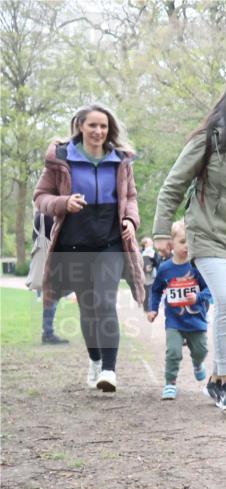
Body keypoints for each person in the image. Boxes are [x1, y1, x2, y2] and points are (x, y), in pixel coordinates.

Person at [153, 77, 226, 411]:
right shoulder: (209, 139)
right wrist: (160, 232)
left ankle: (214, 379)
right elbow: (173, 184)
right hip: (207, 234)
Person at [33, 103, 145, 392]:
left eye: (104, 126)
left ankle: (109, 370)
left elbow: (130, 196)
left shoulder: (120, 161)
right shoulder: (61, 160)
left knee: (106, 301)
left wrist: (131, 219)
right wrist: (63, 203)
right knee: (88, 308)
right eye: (92, 125)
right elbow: (41, 197)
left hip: (110, 242)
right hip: (75, 244)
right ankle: (95, 360)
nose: (98, 131)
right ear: (79, 126)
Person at [146, 222, 211, 400]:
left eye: (190, 240)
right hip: (174, 321)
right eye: (183, 241)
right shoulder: (165, 268)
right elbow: (156, 289)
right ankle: (170, 383)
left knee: (201, 350)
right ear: (171, 245)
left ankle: (198, 364)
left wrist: (197, 298)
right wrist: (152, 309)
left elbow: (209, 290)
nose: (187, 245)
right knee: (173, 352)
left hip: (196, 319)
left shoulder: (196, 267)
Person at [26, 210, 67, 345]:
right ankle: (48, 333)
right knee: (53, 296)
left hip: (47, 261)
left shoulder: (39, 215)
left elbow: (35, 237)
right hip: (52, 261)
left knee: (52, 296)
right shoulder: (48, 216)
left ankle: (48, 332)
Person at [140, 236, 162, 312]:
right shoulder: (140, 253)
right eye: (150, 242)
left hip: (152, 277)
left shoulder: (153, 252)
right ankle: (146, 308)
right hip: (144, 277)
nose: (152, 243)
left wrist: (153, 260)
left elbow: (158, 263)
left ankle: (150, 309)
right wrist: (145, 268)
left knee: (152, 293)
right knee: (145, 294)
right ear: (145, 244)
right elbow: (138, 265)